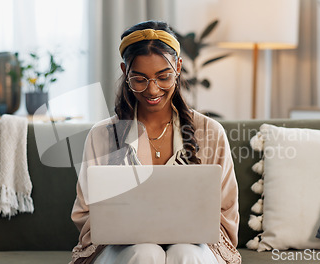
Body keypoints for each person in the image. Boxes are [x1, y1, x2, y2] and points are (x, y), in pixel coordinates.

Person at [70, 20, 241, 264]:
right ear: (124, 71)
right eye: (140, 79)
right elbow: (85, 212)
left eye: (164, 77)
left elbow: (226, 211)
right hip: (124, 249)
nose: (152, 90)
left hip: (194, 247)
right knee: (145, 252)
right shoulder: (102, 134)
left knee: (186, 254)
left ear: (179, 67)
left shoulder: (211, 131)